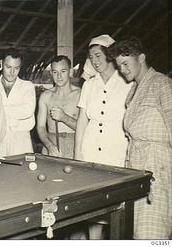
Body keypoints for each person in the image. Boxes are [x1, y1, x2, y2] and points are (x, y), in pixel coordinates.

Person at [108, 37, 172, 239]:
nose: (122, 70)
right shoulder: (134, 91)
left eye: (126, 63)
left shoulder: (162, 84)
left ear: (141, 58)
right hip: (137, 164)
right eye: (119, 66)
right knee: (136, 229)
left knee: (153, 231)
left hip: (158, 165)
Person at [74, 34, 132, 239]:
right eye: (91, 57)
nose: (94, 61)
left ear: (109, 55)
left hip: (116, 150)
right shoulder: (90, 84)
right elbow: (82, 121)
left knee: (117, 209)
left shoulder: (127, 82)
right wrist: (77, 155)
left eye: (98, 56)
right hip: (91, 151)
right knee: (92, 210)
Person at [0, 49, 36, 156]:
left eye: (16, 68)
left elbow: (27, 111)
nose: (12, 72)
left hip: (22, 141)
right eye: (8, 67)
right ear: (2, 64)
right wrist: (16, 116)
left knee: (23, 172)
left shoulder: (27, 86)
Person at [37, 55, 80, 158]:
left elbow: (87, 128)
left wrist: (64, 118)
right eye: (55, 72)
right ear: (51, 73)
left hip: (75, 145)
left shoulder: (81, 95)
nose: (59, 76)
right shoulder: (45, 96)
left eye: (63, 71)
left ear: (70, 72)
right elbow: (41, 127)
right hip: (51, 144)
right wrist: (49, 146)